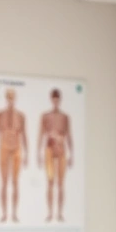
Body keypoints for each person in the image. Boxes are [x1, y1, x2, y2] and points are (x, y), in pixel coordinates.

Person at [0, 88, 27, 223]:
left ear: (15, 99)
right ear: (6, 99)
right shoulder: (0, 115)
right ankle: (5, 213)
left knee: (15, 182)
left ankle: (15, 213)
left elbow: (24, 135)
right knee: (4, 182)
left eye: (13, 97)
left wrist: (27, 153)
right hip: (4, 148)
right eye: (9, 97)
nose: (11, 100)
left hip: (17, 148)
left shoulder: (21, 116)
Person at [38, 88, 73, 222]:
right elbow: (41, 134)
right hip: (49, 149)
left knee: (61, 183)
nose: (55, 101)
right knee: (50, 182)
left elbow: (69, 135)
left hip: (62, 150)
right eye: (54, 99)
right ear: (51, 100)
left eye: (57, 99)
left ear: (60, 100)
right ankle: (50, 213)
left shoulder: (65, 117)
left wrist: (72, 154)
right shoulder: (45, 116)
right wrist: (38, 153)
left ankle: (60, 213)